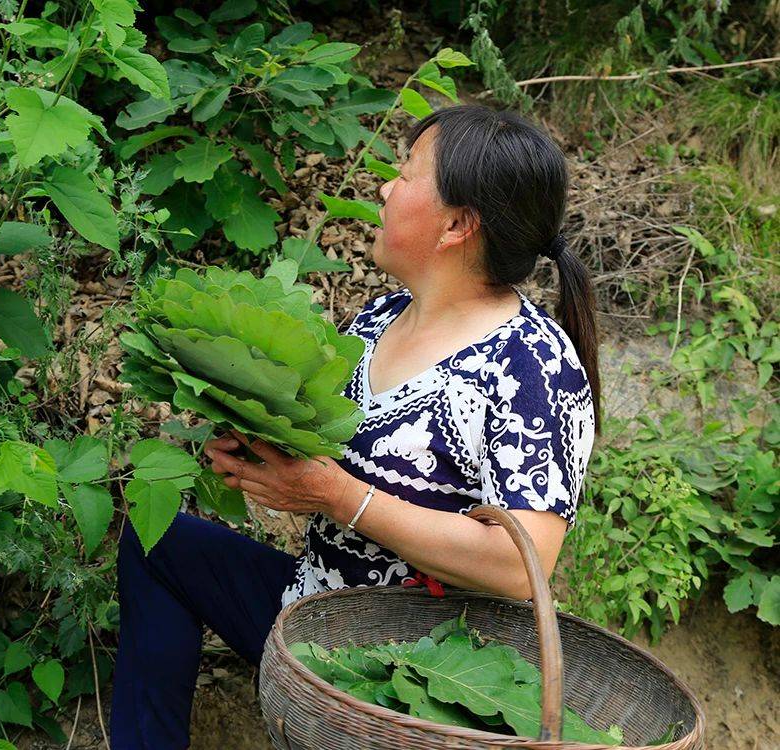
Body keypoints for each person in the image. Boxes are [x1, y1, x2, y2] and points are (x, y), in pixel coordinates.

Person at [109, 103, 601, 749]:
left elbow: (519, 564)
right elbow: (320, 445)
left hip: (414, 679)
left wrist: (341, 497)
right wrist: (253, 445)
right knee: (158, 541)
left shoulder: (528, 366)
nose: (386, 188)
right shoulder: (378, 320)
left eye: (407, 174)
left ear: (456, 223)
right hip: (313, 613)